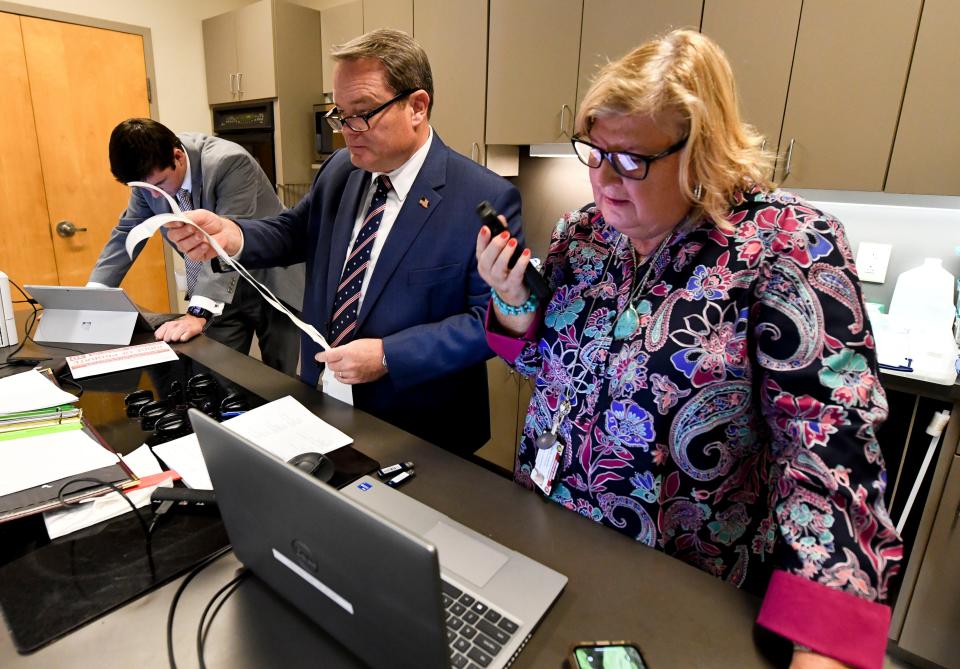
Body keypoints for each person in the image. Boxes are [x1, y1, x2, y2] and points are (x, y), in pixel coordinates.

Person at [477, 30, 900, 669]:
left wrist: (828, 643)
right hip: (545, 547)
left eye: (630, 161)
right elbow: (545, 371)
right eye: (594, 152)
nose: (604, 180)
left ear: (700, 150)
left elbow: (828, 449)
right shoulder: (582, 236)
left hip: (682, 585)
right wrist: (511, 304)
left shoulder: (789, 246)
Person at [165, 30, 522, 455]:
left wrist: (390, 355)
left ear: (417, 107)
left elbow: (493, 324)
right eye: (340, 114)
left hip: (419, 426)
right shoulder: (342, 169)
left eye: (363, 112)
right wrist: (234, 234)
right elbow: (295, 231)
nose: (347, 131)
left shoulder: (483, 198)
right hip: (323, 396)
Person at [88, 119, 305, 375]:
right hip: (217, 288)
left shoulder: (229, 162)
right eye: (146, 190)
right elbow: (127, 232)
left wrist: (199, 311)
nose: (154, 196)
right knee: (219, 376)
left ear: (177, 156)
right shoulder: (147, 180)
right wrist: (94, 295)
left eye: (159, 186)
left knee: (280, 379)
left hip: (270, 280)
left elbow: (223, 242)